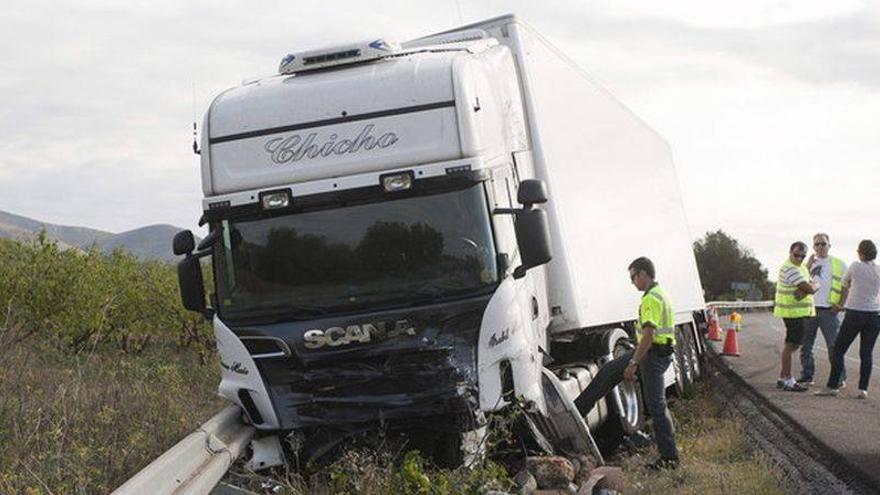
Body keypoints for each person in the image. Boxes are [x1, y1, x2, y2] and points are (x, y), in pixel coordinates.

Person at [574, 257, 679, 470]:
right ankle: (576, 412)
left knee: (656, 407)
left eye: (633, 277)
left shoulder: (651, 299)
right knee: (609, 371)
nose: (632, 282)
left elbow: (648, 336)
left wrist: (633, 363)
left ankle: (670, 458)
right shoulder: (660, 294)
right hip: (653, 353)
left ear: (643, 274)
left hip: (652, 355)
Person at [815, 240, 880, 399]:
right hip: (874, 315)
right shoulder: (879, 270)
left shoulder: (855, 266)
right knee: (866, 353)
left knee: (839, 349)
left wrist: (842, 303)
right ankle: (862, 389)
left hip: (855, 313)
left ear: (861, 253)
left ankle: (833, 386)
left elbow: (844, 283)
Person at [797, 233, 847, 386]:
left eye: (823, 244)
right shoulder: (808, 264)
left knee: (834, 347)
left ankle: (839, 378)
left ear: (829, 246)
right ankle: (807, 375)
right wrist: (807, 265)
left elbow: (846, 286)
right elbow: (799, 283)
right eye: (817, 244)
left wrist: (840, 304)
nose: (820, 247)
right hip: (809, 309)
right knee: (806, 345)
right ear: (813, 247)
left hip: (828, 311)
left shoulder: (838, 264)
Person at [774, 242, 818, 392]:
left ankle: (782, 378)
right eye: (796, 255)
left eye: (802, 256)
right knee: (791, 345)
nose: (799, 258)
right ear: (790, 252)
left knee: (793, 345)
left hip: (799, 313)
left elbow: (808, 286)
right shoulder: (790, 269)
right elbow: (809, 288)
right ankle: (788, 380)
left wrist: (809, 287)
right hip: (793, 313)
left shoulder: (801, 268)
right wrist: (812, 287)